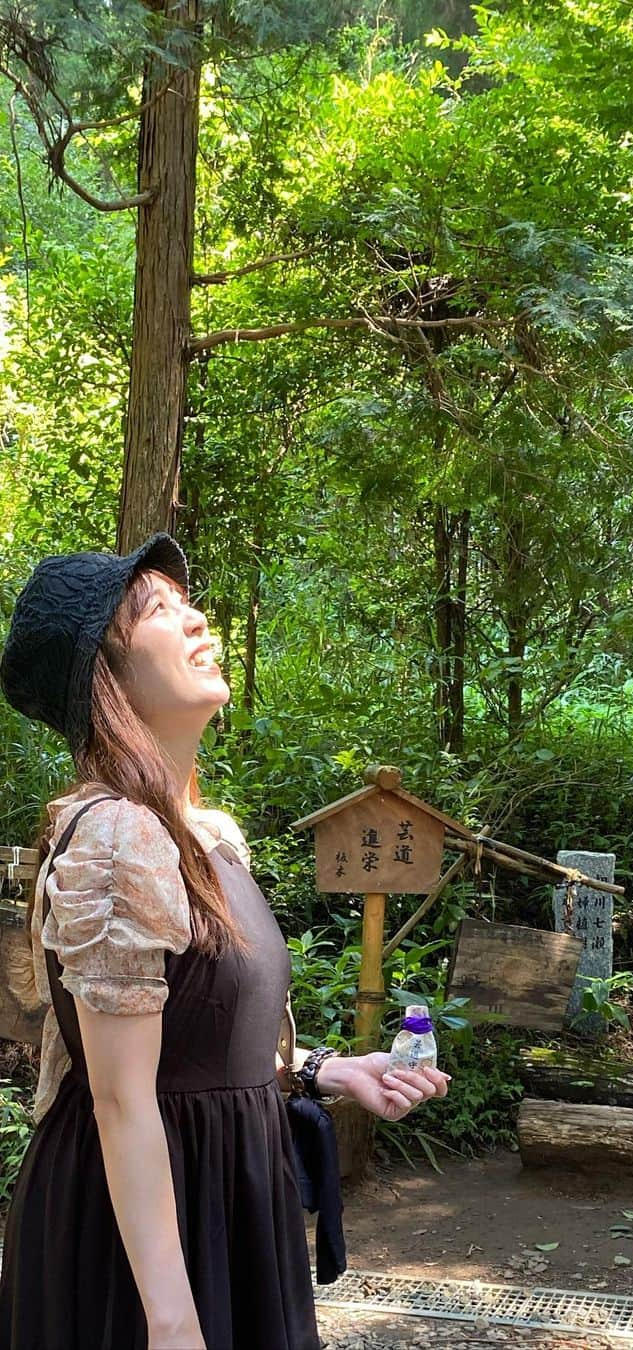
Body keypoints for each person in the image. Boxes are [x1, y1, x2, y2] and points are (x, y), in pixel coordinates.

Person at [0, 533, 451, 1350]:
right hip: (145, 1233)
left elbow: (199, 1034)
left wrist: (327, 1069)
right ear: (106, 678)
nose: (197, 618)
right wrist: (171, 1318)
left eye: (186, 599)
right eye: (159, 612)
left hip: (230, 1195)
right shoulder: (115, 838)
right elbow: (119, 1096)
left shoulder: (207, 834)